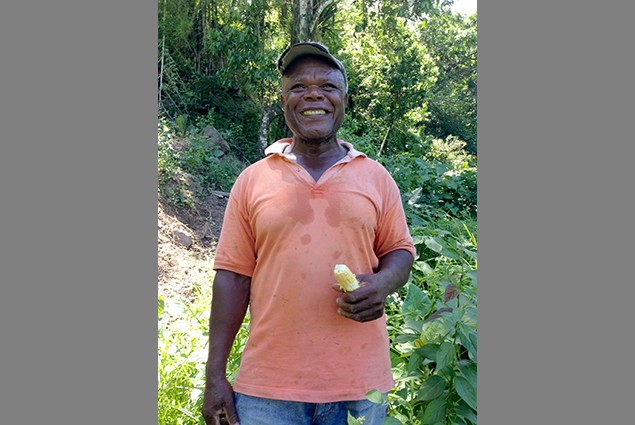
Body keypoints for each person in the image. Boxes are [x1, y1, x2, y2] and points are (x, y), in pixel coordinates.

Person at [202, 41, 416, 425]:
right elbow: (232, 277)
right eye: (299, 87)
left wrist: (382, 283)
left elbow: (399, 250)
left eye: (328, 86)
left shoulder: (376, 177)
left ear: (345, 100)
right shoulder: (253, 180)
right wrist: (214, 376)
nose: (313, 94)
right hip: (268, 391)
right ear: (284, 102)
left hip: (360, 389)